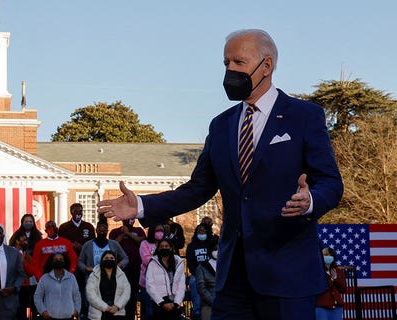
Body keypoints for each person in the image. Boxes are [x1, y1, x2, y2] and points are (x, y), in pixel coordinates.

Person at [98, 29, 343, 319]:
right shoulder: (221, 125)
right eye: (226, 63)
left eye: (239, 62)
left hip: (287, 275)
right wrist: (141, 205)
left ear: (266, 66)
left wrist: (311, 200)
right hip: (232, 278)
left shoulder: (304, 116)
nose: (230, 70)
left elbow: (331, 182)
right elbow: (198, 188)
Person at [108, 219, 145, 320]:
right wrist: (122, 234)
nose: (130, 220)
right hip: (120, 269)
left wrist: (128, 233)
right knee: (119, 294)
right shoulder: (115, 232)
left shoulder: (139, 230)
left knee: (132, 295)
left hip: (135, 268)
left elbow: (141, 240)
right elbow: (112, 244)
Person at [145, 240, 186, 320]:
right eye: (162, 246)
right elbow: (150, 285)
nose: (164, 248)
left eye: (166, 246)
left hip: (174, 302)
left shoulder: (178, 262)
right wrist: (161, 302)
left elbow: (181, 285)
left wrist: (177, 303)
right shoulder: (153, 263)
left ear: (171, 248)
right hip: (159, 302)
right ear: (158, 249)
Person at [34, 252, 81, 320]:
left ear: (65, 261)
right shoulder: (45, 278)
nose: (58, 261)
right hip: (50, 316)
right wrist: (43, 311)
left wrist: (76, 310)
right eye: (56, 259)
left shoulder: (71, 277)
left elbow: (77, 296)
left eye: (61, 259)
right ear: (52, 262)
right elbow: (37, 296)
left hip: (68, 316)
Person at [86, 250, 131, 320]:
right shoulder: (94, 274)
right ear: (102, 260)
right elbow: (90, 293)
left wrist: (117, 306)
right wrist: (105, 307)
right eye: (106, 258)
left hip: (116, 311)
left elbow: (127, 292)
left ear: (115, 260)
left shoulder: (121, 274)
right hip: (99, 313)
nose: (109, 260)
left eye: (111, 258)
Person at [185, 224, 212, 320]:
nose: (201, 233)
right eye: (199, 231)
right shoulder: (191, 246)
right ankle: (197, 310)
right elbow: (190, 261)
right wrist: (197, 273)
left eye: (204, 231)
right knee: (193, 282)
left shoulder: (211, 245)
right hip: (196, 273)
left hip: (211, 274)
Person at [138, 224, 165, 320]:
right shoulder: (145, 244)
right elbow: (146, 260)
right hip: (147, 282)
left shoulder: (165, 244)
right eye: (157, 230)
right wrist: (161, 261)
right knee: (149, 311)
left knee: (161, 310)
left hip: (162, 283)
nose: (159, 233)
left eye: (161, 230)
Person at [11, 233, 40, 320]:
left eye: (26, 240)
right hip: (14, 286)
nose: (25, 242)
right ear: (16, 241)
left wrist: (24, 263)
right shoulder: (10, 253)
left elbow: (33, 271)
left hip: (26, 286)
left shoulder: (26, 254)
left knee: (25, 310)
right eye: (23, 240)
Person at [315, 247, 346, 320]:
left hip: (337, 306)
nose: (324, 256)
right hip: (322, 306)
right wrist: (332, 279)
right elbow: (320, 286)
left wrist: (336, 278)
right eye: (323, 255)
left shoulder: (338, 271)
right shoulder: (317, 271)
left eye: (326, 254)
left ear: (332, 256)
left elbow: (343, 289)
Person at [196, 243, 218, 320]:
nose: (217, 251)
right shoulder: (202, 267)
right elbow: (201, 288)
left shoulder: (227, 265)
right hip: (208, 304)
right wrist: (213, 302)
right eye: (215, 249)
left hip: (225, 303)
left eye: (219, 249)